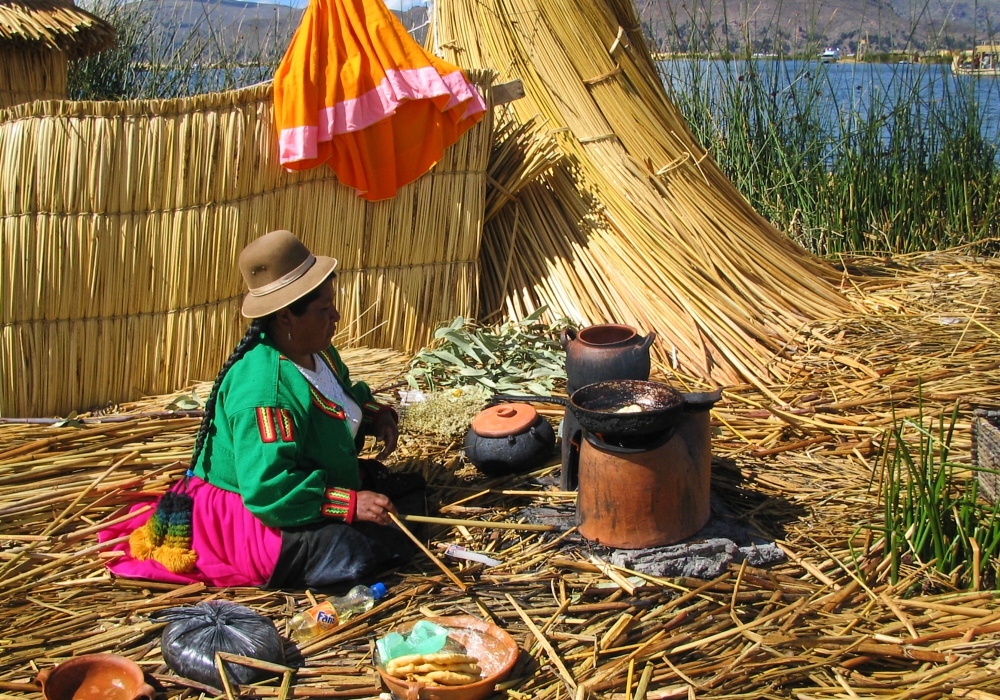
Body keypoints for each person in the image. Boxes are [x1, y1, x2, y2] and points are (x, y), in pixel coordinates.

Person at [101, 230, 424, 589]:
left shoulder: (318, 350)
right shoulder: (264, 392)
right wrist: (347, 504)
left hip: (305, 484)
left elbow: (344, 395)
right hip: (258, 516)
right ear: (286, 317)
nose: (335, 315)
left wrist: (376, 414)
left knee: (411, 497)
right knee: (361, 550)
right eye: (323, 309)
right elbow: (268, 489)